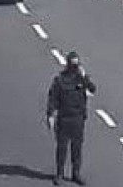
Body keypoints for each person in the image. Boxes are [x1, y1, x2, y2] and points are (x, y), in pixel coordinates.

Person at [46, 51, 96, 186]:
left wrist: (85, 77)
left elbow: (92, 89)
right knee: (62, 148)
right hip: (64, 119)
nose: (75, 67)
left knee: (77, 148)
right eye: (73, 65)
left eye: (77, 65)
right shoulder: (60, 80)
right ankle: (59, 174)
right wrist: (50, 114)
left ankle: (76, 174)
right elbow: (53, 98)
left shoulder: (82, 79)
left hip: (78, 119)